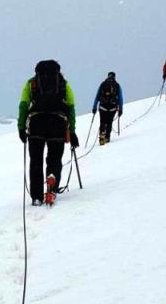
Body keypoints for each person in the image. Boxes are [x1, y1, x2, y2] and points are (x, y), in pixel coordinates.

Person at [18, 59, 78, 205]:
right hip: (58, 123)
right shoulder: (63, 83)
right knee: (55, 159)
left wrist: (21, 127)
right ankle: (52, 184)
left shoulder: (31, 83)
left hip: (36, 123)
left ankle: (37, 197)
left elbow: (23, 104)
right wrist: (72, 130)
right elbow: (71, 106)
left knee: (36, 161)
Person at [91, 72, 124, 145]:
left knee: (102, 121)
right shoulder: (117, 85)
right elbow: (120, 98)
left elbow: (97, 96)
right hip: (112, 107)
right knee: (109, 122)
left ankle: (102, 135)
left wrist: (94, 107)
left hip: (102, 107)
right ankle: (107, 137)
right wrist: (120, 109)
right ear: (114, 77)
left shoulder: (103, 84)